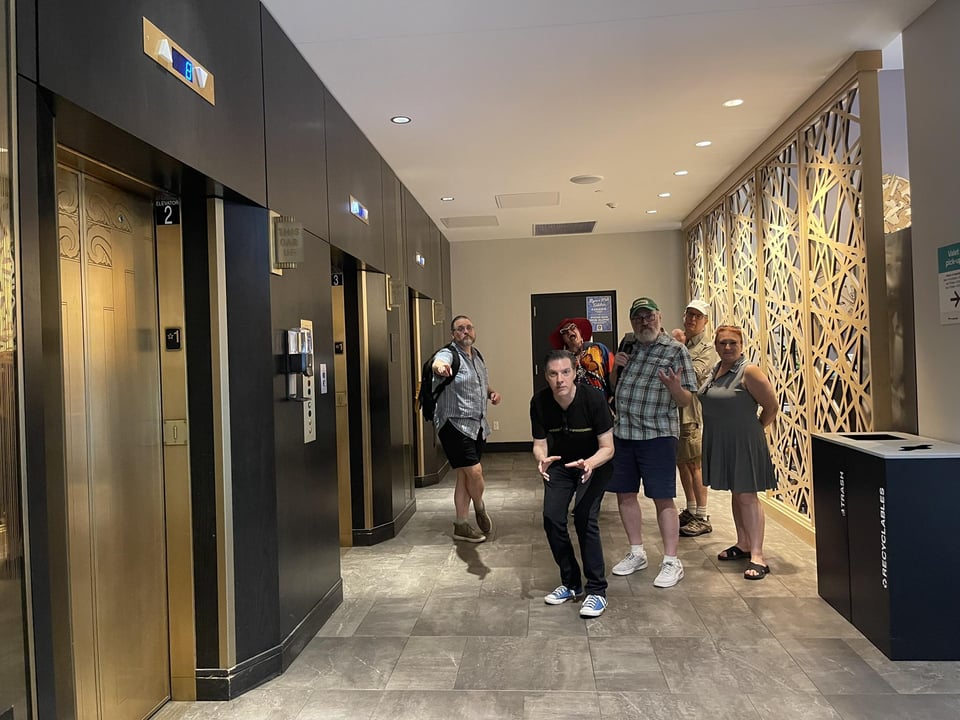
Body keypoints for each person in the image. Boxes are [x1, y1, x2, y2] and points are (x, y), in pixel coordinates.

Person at [607, 297, 697, 588]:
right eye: (638, 318)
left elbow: (687, 399)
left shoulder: (676, 350)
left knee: (662, 498)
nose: (643, 322)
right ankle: (637, 553)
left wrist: (675, 388)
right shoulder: (629, 345)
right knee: (625, 494)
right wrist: (614, 369)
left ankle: (672, 560)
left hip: (657, 435)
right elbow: (614, 388)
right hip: (624, 433)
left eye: (648, 316)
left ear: (659, 316)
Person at [531, 350, 615, 617]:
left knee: (583, 517)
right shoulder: (540, 402)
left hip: (594, 465)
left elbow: (608, 448)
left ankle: (597, 591)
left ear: (575, 372)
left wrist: (590, 463)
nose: (560, 379)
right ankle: (571, 583)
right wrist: (542, 459)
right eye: (553, 374)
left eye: (565, 372)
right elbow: (539, 444)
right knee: (552, 518)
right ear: (546, 376)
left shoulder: (593, 399)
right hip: (560, 466)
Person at [697, 325, 778, 580]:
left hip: (743, 442)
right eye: (722, 343)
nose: (727, 347)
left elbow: (771, 406)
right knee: (737, 493)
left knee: (747, 496)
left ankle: (757, 555)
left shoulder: (749, 371)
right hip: (721, 441)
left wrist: (752, 432)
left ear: (741, 344)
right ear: (717, 345)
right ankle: (742, 543)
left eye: (733, 343)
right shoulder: (717, 370)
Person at [432, 315, 502, 543]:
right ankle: (480, 508)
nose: (466, 332)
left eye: (469, 327)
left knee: (464, 474)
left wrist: (491, 392)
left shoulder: (477, 355)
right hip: (454, 424)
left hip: (477, 425)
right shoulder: (449, 354)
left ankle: (461, 524)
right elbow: (438, 362)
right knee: (474, 472)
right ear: (453, 334)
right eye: (460, 329)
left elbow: (480, 380)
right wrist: (440, 367)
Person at [676, 300, 719, 538]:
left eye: (697, 316)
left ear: (705, 321)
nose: (692, 319)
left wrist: (678, 349)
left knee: (694, 464)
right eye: (689, 314)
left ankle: (702, 516)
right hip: (675, 412)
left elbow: (691, 375)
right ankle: (691, 509)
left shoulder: (707, 348)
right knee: (681, 462)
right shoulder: (680, 343)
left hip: (691, 413)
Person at [549, 317, 614, 401]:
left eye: (572, 327)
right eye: (564, 332)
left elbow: (614, 372)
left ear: (579, 331)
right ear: (563, 339)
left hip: (602, 403)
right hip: (576, 407)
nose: (569, 332)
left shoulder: (598, 349)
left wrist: (611, 401)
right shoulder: (562, 360)